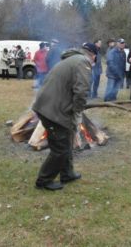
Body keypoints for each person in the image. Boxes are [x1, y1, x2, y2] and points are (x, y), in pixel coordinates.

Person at [32, 43, 97, 191]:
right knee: (60, 148)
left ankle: (67, 174)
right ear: (92, 55)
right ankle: (43, 181)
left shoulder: (71, 59)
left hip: (51, 105)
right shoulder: (82, 62)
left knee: (66, 142)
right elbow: (81, 91)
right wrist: (77, 112)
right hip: (53, 110)